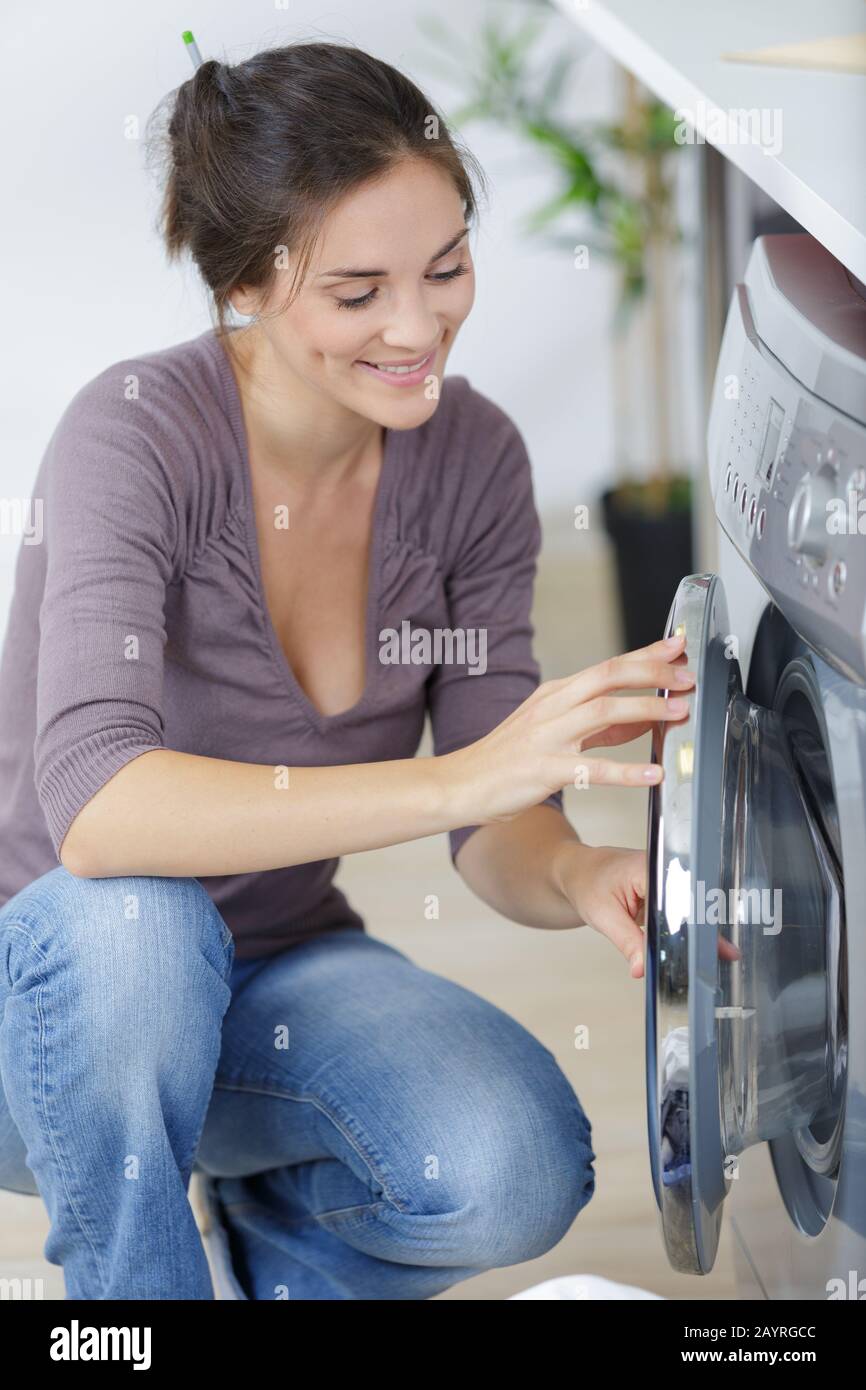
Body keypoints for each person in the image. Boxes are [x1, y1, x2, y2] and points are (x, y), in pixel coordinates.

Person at [0, 40, 695, 1300]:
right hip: (56, 998)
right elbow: (99, 819)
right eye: (358, 290)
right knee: (139, 927)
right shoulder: (134, 436)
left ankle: (277, 1270)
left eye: (446, 268)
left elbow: (500, 819)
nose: (416, 326)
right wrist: (455, 783)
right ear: (249, 288)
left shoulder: (470, 459)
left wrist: (579, 867)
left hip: (278, 970)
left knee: (509, 1163)